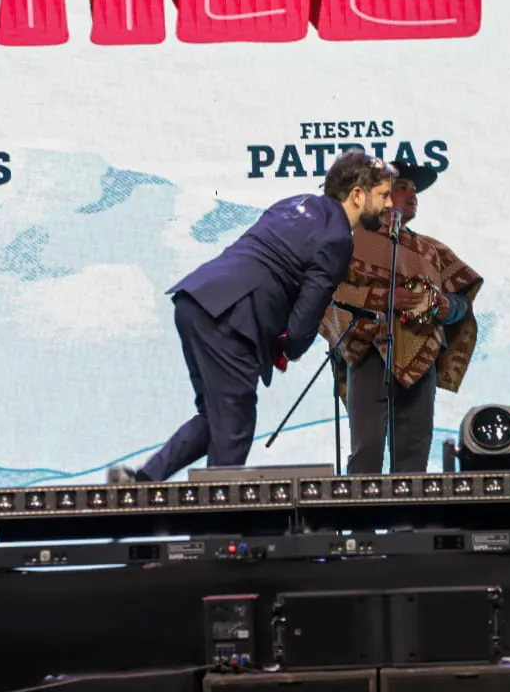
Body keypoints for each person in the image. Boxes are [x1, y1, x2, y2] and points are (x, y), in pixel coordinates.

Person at [110, 150, 394, 483]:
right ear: (357, 195)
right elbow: (306, 316)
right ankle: (218, 522)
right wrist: (290, 348)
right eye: (384, 195)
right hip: (231, 318)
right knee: (235, 427)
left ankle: (142, 481)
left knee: (217, 417)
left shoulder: (294, 203)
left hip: (196, 301)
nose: (390, 204)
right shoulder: (337, 238)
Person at [321, 161, 482, 474]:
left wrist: (444, 306)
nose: (412, 194)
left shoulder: (432, 251)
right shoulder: (349, 242)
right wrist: (385, 299)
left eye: (414, 189)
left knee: (414, 453)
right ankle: (360, 524)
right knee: (366, 451)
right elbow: (328, 297)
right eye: (402, 187)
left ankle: (408, 525)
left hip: (421, 357)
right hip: (369, 354)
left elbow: (462, 303)